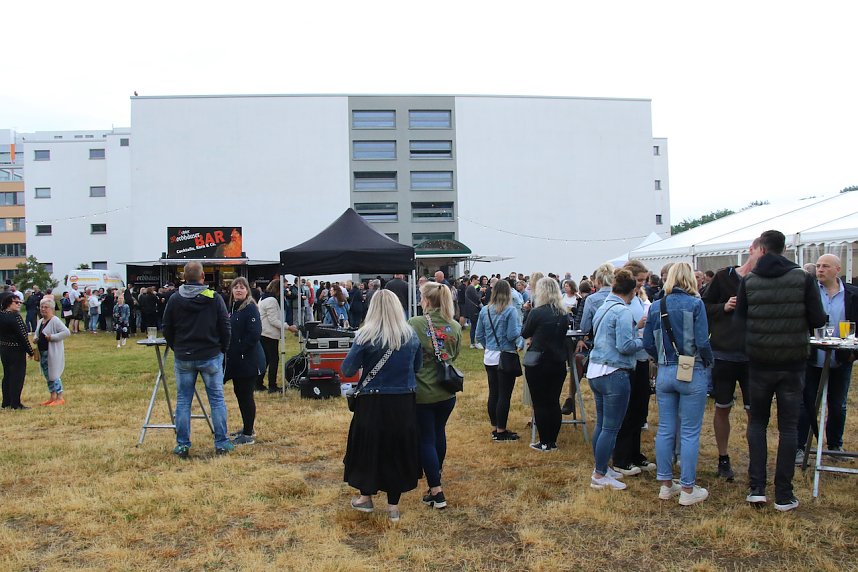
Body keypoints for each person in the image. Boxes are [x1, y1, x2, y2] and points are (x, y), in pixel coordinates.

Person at [735, 230, 826, 511]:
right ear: (784, 249)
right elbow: (818, 317)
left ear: (761, 249)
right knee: (787, 427)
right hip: (793, 361)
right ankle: (784, 493)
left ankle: (757, 488)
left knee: (758, 423)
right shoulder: (802, 278)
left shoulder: (750, 280)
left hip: (760, 362)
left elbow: (740, 321)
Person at [342, 290, 422, 523]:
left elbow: (347, 369)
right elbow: (416, 368)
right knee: (396, 448)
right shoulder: (410, 336)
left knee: (369, 447)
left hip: (372, 400)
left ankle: (365, 497)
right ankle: (393, 507)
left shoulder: (365, 336)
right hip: (403, 400)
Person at [643, 263, 714, 506]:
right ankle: (687, 487)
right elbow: (702, 340)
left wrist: (660, 357)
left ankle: (665, 485)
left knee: (665, 428)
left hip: (665, 370)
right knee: (690, 431)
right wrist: (708, 362)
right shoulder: (696, 304)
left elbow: (647, 342)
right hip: (691, 368)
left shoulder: (656, 305)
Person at [702, 238, 762, 480]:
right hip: (724, 354)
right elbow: (703, 306)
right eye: (762, 251)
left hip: (753, 356)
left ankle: (755, 461)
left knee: (754, 412)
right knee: (722, 407)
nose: (764, 256)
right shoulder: (723, 276)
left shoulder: (765, 281)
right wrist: (723, 307)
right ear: (751, 250)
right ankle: (723, 458)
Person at [162, 261, 233, 457]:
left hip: (184, 355)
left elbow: (167, 327)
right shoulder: (214, 298)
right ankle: (221, 442)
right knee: (217, 400)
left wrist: (176, 346)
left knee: (183, 401)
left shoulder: (175, 299)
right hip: (210, 354)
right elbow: (225, 326)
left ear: (184, 277)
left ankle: (182, 445)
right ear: (203, 277)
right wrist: (223, 349)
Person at [797, 253, 858, 464]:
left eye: (825, 266)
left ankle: (834, 445)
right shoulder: (809, 292)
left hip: (841, 359)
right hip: (812, 357)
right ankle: (800, 446)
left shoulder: (852, 294)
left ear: (837, 270)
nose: (820, 269)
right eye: (819, 266)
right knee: (806, 403)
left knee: (838, 404)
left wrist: (852, 354)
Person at [586, 269, 642, 491]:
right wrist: (643, 341)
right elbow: (625, 346)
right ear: (633, 290)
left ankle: (601, 468)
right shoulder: (623, 311)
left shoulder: (603, 307)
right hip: (614, 372)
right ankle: (600, 474)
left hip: (596, 370)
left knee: (602, 425)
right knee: (610, 428)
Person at [408, 281, 462, 509]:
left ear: (427, 300)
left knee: (426, 439)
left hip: (423, 391)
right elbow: (455, 354)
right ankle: (435, 478)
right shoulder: (455, 326)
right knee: (439, 433)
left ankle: (436, 490)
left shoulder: (415, 323)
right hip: (447, 391)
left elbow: (408, 354)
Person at [611, 260, 656, 476]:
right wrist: (638, 327)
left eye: (644, 281)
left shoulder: (638, 299)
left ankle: (635, 453)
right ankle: (622, 457)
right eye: (639, 281)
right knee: (627, 412)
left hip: (640, 358)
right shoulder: (622, 303)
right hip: (628, 360)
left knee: (639, 409)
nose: (641, 285)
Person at [521, 277, 569, 452]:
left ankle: (544, 441)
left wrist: (527, 312)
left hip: (538, 361)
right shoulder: (564, 314)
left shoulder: (537, 312)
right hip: (557, 361)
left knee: (540, 402)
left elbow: (525, 332)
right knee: (553, 402)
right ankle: (552, 441)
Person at [475, 279, 523, 441]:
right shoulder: (510, 311)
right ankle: (501, 430)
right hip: (505, 354)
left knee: (493, 393)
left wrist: (488, 345)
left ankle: (495, 426)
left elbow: (479, 335)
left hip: (489, 355)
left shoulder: (485, 311)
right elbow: (511, 335)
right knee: (504, 395)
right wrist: (520, 337)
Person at [224, 277, 266, 446]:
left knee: (246, 395)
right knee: (240, 394)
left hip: (249, 361)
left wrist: (240, 350)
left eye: (242, 288)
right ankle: (247, 427)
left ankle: (248, 433)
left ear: (247, 290)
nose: (239, 290)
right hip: (236, 361)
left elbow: (254, 334)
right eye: (236, 288)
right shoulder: (233, 308)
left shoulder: (250, 309)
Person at [0, 292, 36, 409]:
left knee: (7, 376)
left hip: (4, 349)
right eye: (16, 302)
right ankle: (15, 403)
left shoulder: (1, 315)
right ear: (8, 303)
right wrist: (31, 351)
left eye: (20, 302)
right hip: (16, 350)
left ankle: (6, 402)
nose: (19, 304)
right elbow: (23, 337)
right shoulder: (15, 317)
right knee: (17, 377)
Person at [258, 280, 295, 393]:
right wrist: (287, 327)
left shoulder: (263, 298)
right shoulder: (271, 300)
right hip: (269, 334)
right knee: (274, 360)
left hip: (263, 333)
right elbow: (273, 320)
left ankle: (258, 383)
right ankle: (272, 386)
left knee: (265, 360)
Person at [35, 298, 71, 406]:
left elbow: (66, 332)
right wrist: (36, 338)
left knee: (54, 375)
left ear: (51, 309)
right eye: (42, 307)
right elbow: (38, 333)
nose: (43, 309)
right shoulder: (41, 321)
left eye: (46, 307)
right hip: (43, 353)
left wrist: (53, 337)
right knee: (48, 375)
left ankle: (60, 397)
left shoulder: (55, 320)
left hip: (52, 353)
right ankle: (52, 396)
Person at [463, 275, 482, 348]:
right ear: (473, 279)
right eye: (477, 280)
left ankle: (472, 343)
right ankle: (476, 342)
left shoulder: (469, 288)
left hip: (471, 309)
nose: (478, 281)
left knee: (473, 327)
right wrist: (481, 292)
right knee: (476, 326)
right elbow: (477, 298)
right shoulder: (471, 287)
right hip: (474, 309)